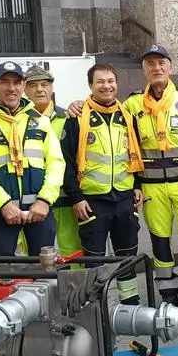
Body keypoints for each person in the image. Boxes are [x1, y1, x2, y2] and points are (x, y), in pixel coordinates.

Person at [124, 44, 178, 306]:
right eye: (151, 64)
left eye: (161, 63)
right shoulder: (131, 105)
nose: (156, 68)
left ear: (170, 67)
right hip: (151, 187)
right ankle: (168, 296)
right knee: (160, 242)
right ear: (144, 70)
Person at [61, 63, 143, 303]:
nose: (106, 86)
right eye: (100, 82)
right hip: (92, 202)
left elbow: (134, 154)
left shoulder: (126, 116)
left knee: (127, 256)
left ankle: (130, 306)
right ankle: (95, 309)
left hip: (125, 199)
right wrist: (76, 197)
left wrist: (137, 184)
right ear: (90, 86)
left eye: (111, 81)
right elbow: (66, 161)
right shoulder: (77, 117)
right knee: (94, 260)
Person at [0, 61, 66, 256]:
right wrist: (4, 204)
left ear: (23, 85)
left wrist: (45, 200)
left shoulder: (41, 122)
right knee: (2, 274)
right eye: (5, 82)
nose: (11, 88)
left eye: (17, 82)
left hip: (39, 211)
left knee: (45, 272)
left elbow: (56, 163)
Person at [24, 64, 82, 258]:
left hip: (65, 198)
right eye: (33, 85)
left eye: (44, 84)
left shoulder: (68, 117)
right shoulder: (18, 122)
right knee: (37, 254)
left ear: (51, 88)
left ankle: (72, 288)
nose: (39, 89)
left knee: (71, 250)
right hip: (33, 200)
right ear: (25, 89)